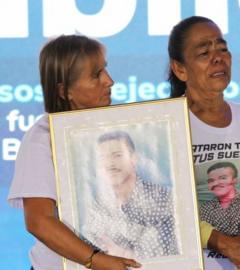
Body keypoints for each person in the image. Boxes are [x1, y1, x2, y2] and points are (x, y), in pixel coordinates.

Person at [7, 35, 142, 270]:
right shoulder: (43, 137)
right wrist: (96, 260)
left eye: (105, 70)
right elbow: (39, 221)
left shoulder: (122, 129)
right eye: (96, 75)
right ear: (64, 90)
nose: (109, 81)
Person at [168, 16, 240, 269]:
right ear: (180, 69)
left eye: (222, 49)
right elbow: (168, 210)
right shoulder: (169, 123)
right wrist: (226, 244)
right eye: (204, 52)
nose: (218, 58)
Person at [81, 130, 178, 259]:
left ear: (133, 158)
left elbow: (165, 253)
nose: (110, 164)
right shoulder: (96, 207)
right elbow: (87, 251)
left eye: (117, 155)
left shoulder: (164, 199)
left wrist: (123, 254)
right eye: (103, 157)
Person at [200, 162, 240, 237]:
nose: (216, 183)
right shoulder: (205, 208)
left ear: (234, 180)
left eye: (223, 178)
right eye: (211, 180)